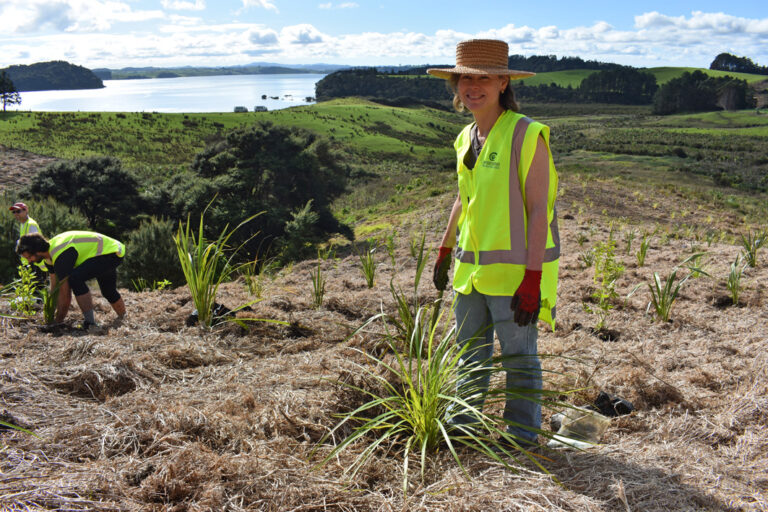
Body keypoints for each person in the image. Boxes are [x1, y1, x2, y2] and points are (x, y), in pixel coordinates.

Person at [428, 39, 560, 447]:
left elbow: (540, 210)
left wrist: (533, 279)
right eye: (464, 78)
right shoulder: (466, 137)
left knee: (520, 360)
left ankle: (522, 436)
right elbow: (463, 198)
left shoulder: (526, 134)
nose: (472, 86)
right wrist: (445, 249)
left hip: (515, 276)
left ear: (504, 82)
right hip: (470, 276)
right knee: (470, 358)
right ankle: (463, 430)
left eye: (483, 78)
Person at [16, 231, 127, 329]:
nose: (29, 261)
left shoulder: (60, 255)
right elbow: (55, 287)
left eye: (29, 257)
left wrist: (57, 321)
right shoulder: (50, 258)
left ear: (37, 251)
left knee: (75, 278)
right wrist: (50, 309)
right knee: (108, 291)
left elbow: (65, 294)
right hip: (112, 250)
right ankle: (124, 318)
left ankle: (90, 324)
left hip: (110, 253)